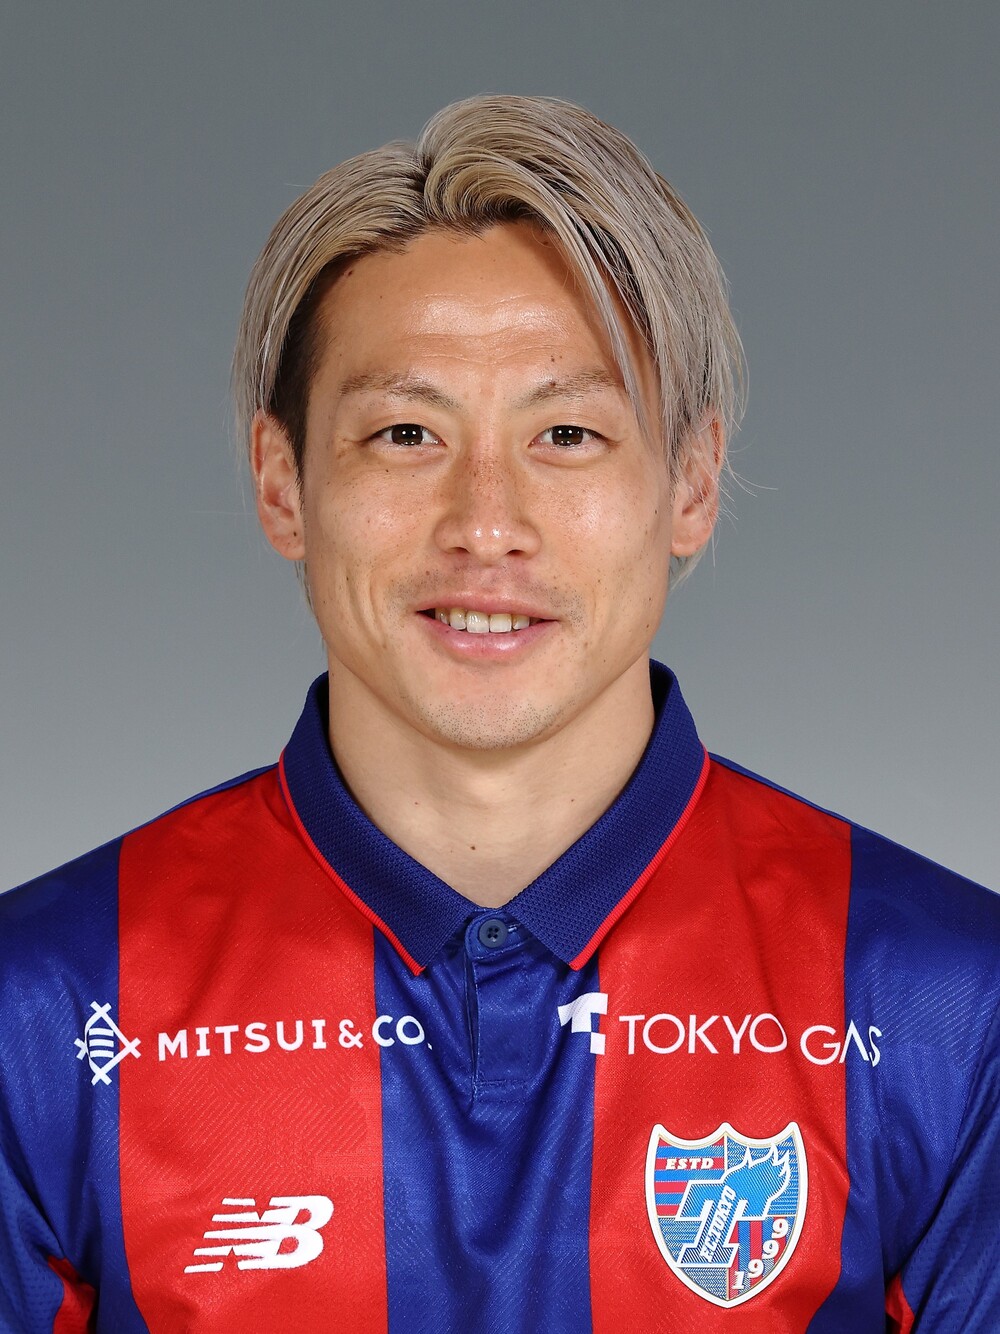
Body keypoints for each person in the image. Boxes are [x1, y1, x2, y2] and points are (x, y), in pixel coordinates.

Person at [0, 94, 997, 1334]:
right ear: (282, 483)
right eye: (405, 432)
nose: (485, 521)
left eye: (566, 432)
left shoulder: (950, 1006)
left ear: (690, 484)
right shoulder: (40, 1010)